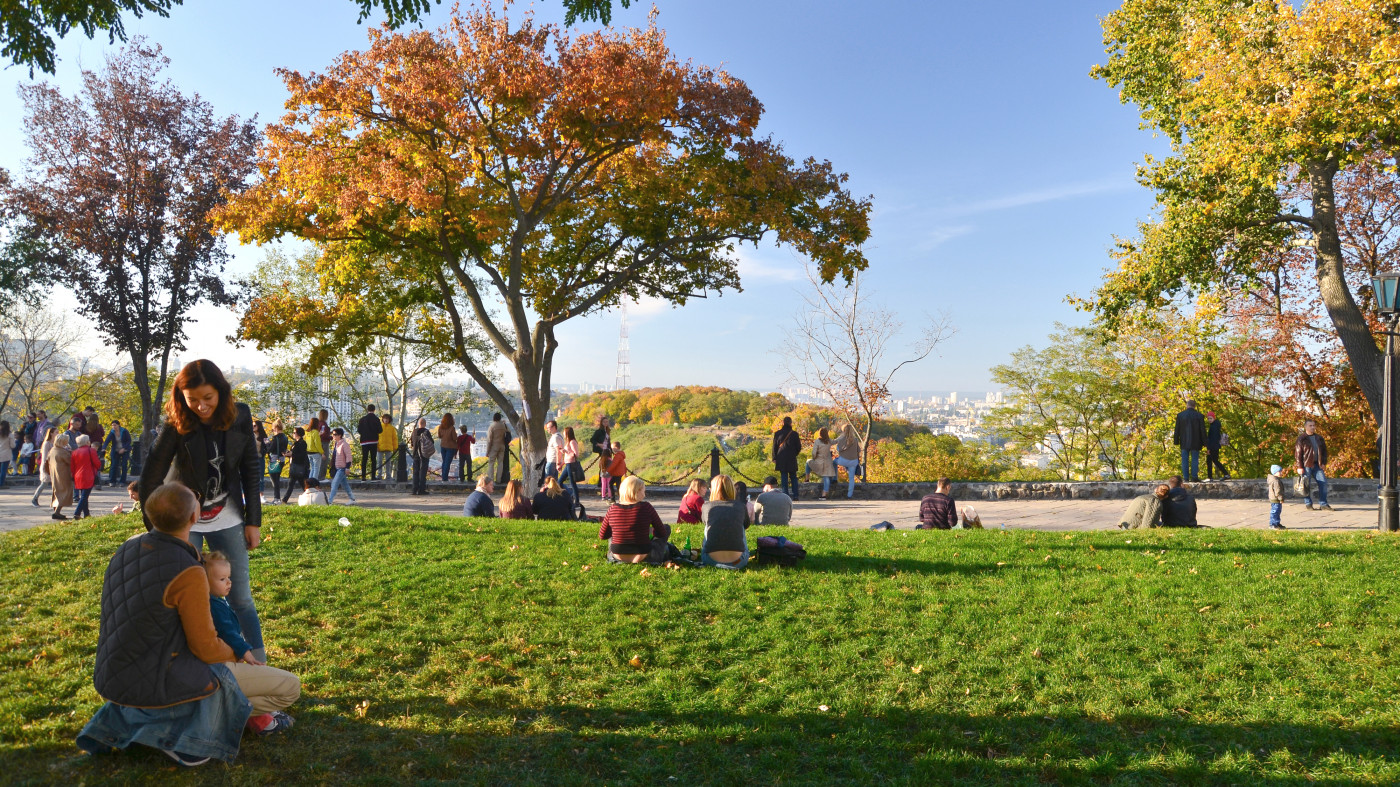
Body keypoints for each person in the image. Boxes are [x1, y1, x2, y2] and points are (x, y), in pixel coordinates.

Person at [76, 483, 253, 767]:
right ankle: (170, 732)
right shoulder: (188, 570)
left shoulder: (128, 546)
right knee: (286, 689)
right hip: (161, 677)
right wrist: (236, 653)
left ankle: (131, 721)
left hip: (115, 674)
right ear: (194, 517)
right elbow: (206, 648)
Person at [140, 359, 267, 663]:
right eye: (192, 399)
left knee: (240, 597)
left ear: (221, 392)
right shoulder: (176, 422)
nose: (201, 406)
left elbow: (251, 470)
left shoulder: (240, 415)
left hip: (228, 515)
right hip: (186, 521)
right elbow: (151, 477)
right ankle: (201, 666)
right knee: (192, 598)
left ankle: (260, 664)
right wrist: (160, 531)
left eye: (208, 397)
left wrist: (253, 521)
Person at [202, 550, 299, 734]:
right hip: (223, 663)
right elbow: (229, 634)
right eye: (222, 579)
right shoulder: (214, 606)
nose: (229, 582)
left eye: (229, 577)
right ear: (204, 582)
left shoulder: (216, 601)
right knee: (247, 688)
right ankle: (258, 719)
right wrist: (246, 654)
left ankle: (261, 714)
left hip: (225, 661)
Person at [599, 475, 672, 565]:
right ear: (637, 491)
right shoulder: (646, 507)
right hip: (644, 556)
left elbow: (602, 535)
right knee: (666, 528)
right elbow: (661, 533)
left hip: (617, 555)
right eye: (643, 491)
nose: (644, 495)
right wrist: (650, 533)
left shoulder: (613, 509)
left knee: (612, 534)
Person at [701, 474, 749, 569]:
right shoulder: (741, 506)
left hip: (710, 560)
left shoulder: (706, 506)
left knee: (709, 525)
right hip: (738, 561)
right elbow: (746, 525)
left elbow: (704, 522)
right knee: (740, 526)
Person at [1295, 419, 1331, 511]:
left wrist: (1323, 463)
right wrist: (1300, 466)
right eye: (1310, 425)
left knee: (1323, 483)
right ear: (1305, 427)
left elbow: (1324, 452)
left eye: (1314, 425)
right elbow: (1298, 453)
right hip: (1306, 464)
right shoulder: (1301, 439)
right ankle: (1308, 504)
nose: (1312, 427)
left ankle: (1323, 504)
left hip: (1317, 465)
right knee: (1306, 485)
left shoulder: (1319, 438)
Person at [1172, 400, 1207, 483]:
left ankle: (1186, 478)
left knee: (1184, 459)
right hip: (1196, 441)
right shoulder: (1199, 416)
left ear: (1187, 405)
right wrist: (1205, 442)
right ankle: (1194, 477)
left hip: (1184, 441)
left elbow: (1177, 429)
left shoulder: (1180, 415)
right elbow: (1203, 430)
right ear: (1194, 406)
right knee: (1195, 459)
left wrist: (1176, 441)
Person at [71, 434, 102, 520]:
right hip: (88, 475)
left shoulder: (74, 452)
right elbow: (97, 463)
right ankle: (77, 513)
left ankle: (86, 514)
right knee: (84, 496)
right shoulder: (91, 450)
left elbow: (72, 467)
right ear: (87, 442)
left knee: (84, 495)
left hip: (78, 476)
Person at [771, 417, 802, 500]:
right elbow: (798, 447)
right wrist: (794, 454)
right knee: (793, 476)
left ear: (783, 423)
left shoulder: (778, 433)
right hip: (791, 457)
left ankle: (785, 495)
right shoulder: (794, 434)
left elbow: (774, 447)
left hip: (781, 457)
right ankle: (795, 495)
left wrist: (774, 457)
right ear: (791, 423)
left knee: (784, 476)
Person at [326, 428, 358, 505]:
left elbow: (348, 457)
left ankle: (329, 501)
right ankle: (352, 499)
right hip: (337, 467)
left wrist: (347, 468)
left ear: (339, 435)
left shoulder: (344, 444)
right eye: (332, 434)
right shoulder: (336, 444)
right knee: (345, 484)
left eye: (335, 434)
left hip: (342, 468)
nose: (333, 436)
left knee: (334, 483)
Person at [99, 418, 132, 487]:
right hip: (116, 450)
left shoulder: (124, 431)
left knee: (124, 465)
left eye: (115, 425)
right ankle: (112, 481)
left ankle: (122, 481)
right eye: (112, 425)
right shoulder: (112, 432)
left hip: (124, 449)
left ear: (118, 425)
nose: (114, 427)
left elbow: (129, 440)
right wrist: (103, 448)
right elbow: (107, 441)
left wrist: (124, 448)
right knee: (114, 465)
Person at [48, 433, 73, 521]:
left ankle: (56, 510)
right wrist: (70, 452)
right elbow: (70, 461)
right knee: (64, 492)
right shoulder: (62, 452)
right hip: (63, 474)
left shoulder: (53, 450)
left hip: (54, 473)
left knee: (57, 491)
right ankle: (57, 512)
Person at [281, 427, 310, 505]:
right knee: (296, 484)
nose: (293, 434)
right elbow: (293, 453)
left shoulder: (302, 443)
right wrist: (288, 454)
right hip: (294, 466)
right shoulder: (296, 443)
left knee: (296, 484)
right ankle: (285, 500)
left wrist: (292, 454)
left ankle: (284, 500)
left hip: (299, 466)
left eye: (294, 433)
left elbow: (302, 455)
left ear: (298, 434)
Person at [30, 426, 57, 508]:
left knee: (56, 484)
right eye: (56, 432)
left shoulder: (56, 442)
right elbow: (44, 457)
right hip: (47, 465)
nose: (58, 434)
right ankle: (35, 498)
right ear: (51, 433)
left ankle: (55, 500)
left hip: (54, 465)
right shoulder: (47, 443)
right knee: (44, 483)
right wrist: (45, 467)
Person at [356, 404, 382, 480]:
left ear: (367, 409)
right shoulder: (376, 419)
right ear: (374, 410)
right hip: (373, 441)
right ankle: (373, 476)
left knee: (364, 459)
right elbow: (380, 430)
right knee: (373, 459)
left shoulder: (362, 419)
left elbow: (359, 430)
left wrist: (364, 434)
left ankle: (363, 476)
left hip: (364, 441)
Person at [810, 427, 837, 499]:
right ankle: (825, 493)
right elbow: (835, 441)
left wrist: (814, 458)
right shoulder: (829, 441)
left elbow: (814, 453)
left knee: (808, 463)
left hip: (819, 460)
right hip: (828, 461)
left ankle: (807, 478)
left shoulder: (817, 441)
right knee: (826, 477)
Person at [265, 422, 289, 504]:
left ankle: (276, 498)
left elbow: (270, 449)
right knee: (277, 479)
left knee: (274, 480)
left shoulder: (276, 438)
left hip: (274, 460)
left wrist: (267, 443)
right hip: (282, 459)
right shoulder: (285, 437)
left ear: (276, 428)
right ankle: (277, 498)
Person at [590, 415, 612, 499]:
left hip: (607, 450)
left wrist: (610, 449)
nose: (606, 423)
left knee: (607, 465)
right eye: (604, 422)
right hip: (602, 450)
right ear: (601, 423)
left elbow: (608, 441)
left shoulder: (607, 431)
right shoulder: (599, 431)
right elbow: (592, 439)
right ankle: (601, 482)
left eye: (607, 422)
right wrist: (599, 444)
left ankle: (605, 481)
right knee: (603, 465)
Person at [410, 418, 434, 495]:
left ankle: (414, 489)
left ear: (419, 424)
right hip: (424, 455)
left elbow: (412, 442)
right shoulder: (426, 432)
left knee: (415, 472)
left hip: (415, 454)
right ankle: (421, 489)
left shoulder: (414, 432)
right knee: (423, 472)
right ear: (425, 424)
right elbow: (431, 442)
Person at [1204, 412, 1229, 482]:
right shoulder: (1215, 425)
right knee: (1211, 461)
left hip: (1213, 447)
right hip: (1215, 446)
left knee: (1213, 461)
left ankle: (1225, 474)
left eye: (1210, 418)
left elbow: (1212, 439)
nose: (1209, 420)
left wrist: (1209, 448)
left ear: (1214, 418)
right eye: (1208, 418)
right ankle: (1211, 476)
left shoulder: (1213, 427)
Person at [560, 426, 582, 503]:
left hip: (571, 464)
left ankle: (576, 501)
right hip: (567, 463)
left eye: (564, 432)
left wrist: (566, 451)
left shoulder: (572, 442)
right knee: (560, 481)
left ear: (567, 433)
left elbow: (576, 454)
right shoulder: (568, 442)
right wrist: (561, 464)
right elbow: (567, 457)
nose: (563, 433)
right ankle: (569, 496)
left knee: (572, 483)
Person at [485, 412, 508, 484]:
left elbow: (489, 440)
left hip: (494, 446)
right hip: (502, 446)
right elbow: (508, 432)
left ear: (494, 418)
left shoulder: (492, 426)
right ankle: (498, 479)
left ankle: (491, 479)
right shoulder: (503, 425)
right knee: (500, 463)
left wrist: (487, 451)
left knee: (491, 463)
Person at [438, 413, 459, 482]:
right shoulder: (452, 428)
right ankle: (445, 478)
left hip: (443, 446)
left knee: (444, 462)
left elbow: (439, 436)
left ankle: (443, 477)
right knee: (447, 463)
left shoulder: (440, 427)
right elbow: (455, 438)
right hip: (450, 447)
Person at [378, 414, 399, 481]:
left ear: (389, 420)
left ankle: (388, 476)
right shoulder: (379, 427)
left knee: (388, 463)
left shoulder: (392, 428)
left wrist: (395, 448)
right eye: (385, 418)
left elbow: (394, 439)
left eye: (387, 419)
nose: (386, 420)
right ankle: (379, 475)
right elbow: (376, 437)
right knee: (379, 462)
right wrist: (376, 446)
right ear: (382, 419)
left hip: (389, 447)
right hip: (380, 447)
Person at [1268, 464, 1286, 530]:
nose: (1281, 473)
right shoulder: (1276, 481)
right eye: (1279, 472)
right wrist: (1281, 499)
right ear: (1275, 472)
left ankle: (1277, 523)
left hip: (1274, 498)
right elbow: (1278, 491)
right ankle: (1272, 524)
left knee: (1277, 511)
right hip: (1276, 499)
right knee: (1275, 511)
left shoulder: (1275, 480)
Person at [317, 409, 333, 481]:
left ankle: (318, 476)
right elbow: (323, 435)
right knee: (324, 460)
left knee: (318, 461)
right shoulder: (323, 424)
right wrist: (331, 437)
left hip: (318, 443)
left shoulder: (318, 423)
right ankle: (321, 477)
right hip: (324, 443)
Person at [0, 420, 12, 486]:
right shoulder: (9, 435)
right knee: (3, 470)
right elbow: (13, 445)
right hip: (6, 454)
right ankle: (1, 484)